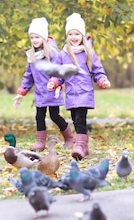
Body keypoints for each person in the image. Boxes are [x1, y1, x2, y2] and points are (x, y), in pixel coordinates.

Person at [47, 13, 110, 160]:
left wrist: (102, 80)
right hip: (71, 93)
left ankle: (80, 147)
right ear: (67, 36)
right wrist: (54, 82)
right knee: (76, 120)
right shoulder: (63, 54)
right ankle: (85, 146)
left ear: (82, 35)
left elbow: (97, 71)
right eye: (71, 34)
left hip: (84, 92)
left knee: (80, 119)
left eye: (77, 34)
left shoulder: (88, 53)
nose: (74, 37)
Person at [14, 17, 75, 151]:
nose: (34, 40)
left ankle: (70, 138)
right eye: (32, 37)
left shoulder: (52, 54)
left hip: (53, 91)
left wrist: (53, 82)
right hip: (41, 92)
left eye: (37, 37)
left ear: (43, 37)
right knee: (39, 116)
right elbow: (28, 76)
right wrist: (21, 92)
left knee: (54, 115)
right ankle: (40, 143)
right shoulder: (32, 56)